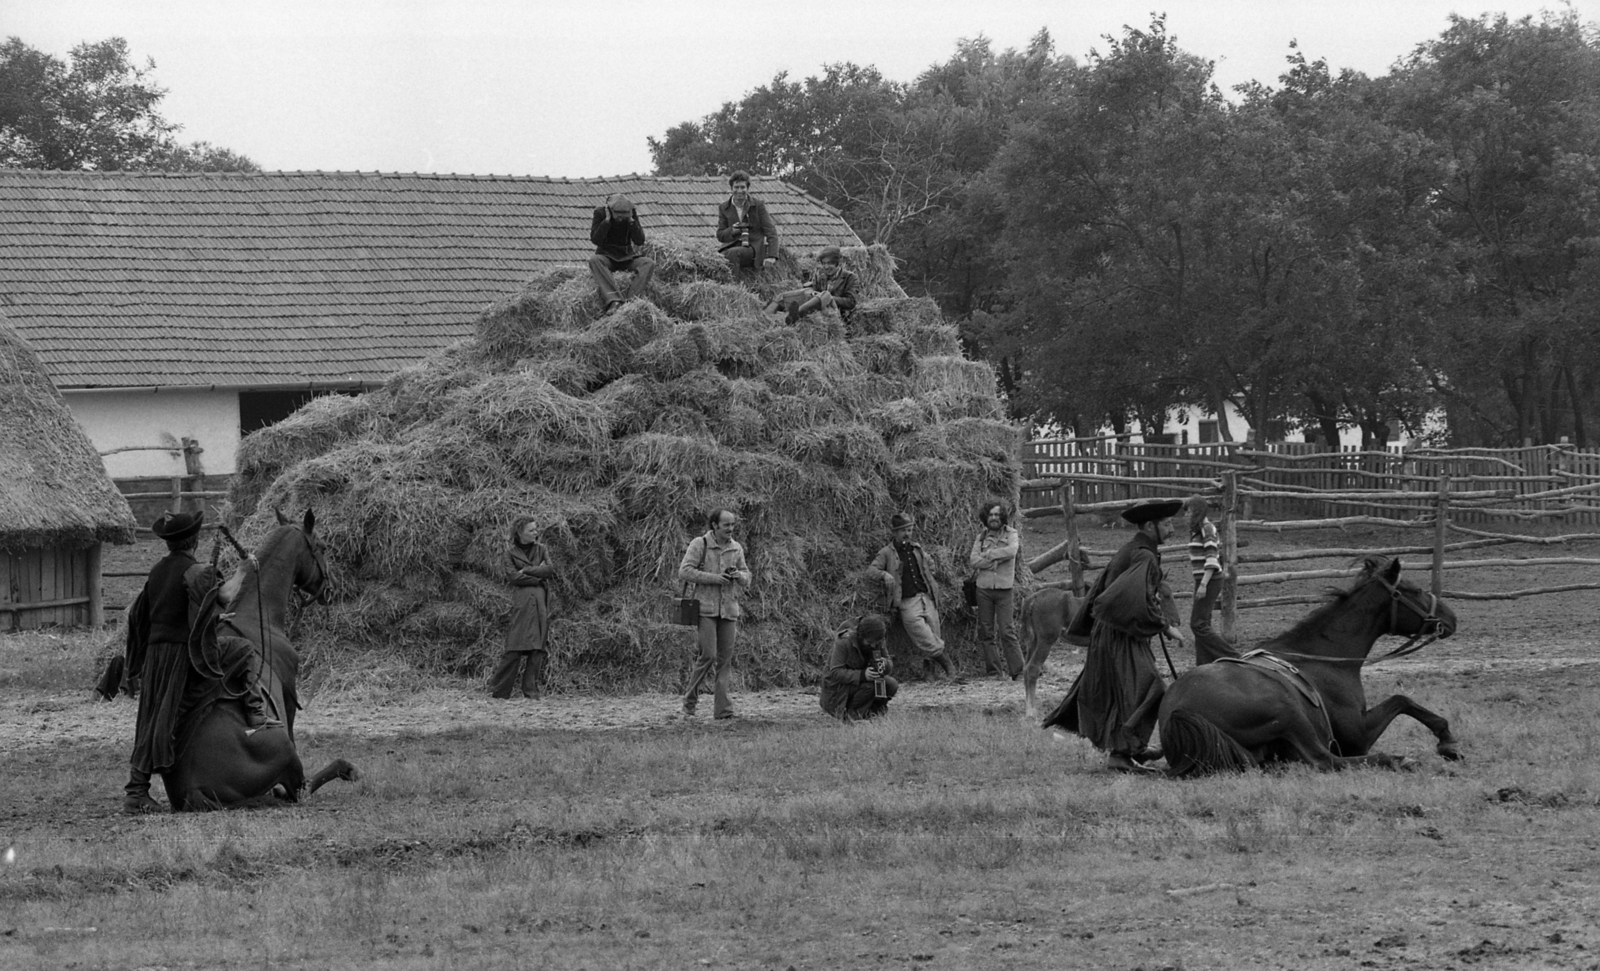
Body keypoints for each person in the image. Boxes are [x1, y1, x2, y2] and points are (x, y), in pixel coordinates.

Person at [1042, 498, 1185, 773]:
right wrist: (1165, 627)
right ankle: (1122, 754)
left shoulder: (1136, 549)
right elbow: (1127, 599)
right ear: (1148, 526)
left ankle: (1133, 749)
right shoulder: (1143, 555)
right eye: (1167, 524)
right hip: (1118, 635)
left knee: (1127, 691)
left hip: (1116, 632)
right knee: (1148, 688)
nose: (1172, 529)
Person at [679, 508, 752, 720]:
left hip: (729, 610)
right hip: (706, 609)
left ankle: (723, 710)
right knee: (708, 655)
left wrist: (739, 576)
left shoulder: (736, 548)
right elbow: (684, 571)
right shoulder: (699, 544)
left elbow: (747, 576)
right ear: (715, 525)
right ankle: (689, 703)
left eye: (733, 525)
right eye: (727, 524)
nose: (731, 528)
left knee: (725, 660)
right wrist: (714, 578)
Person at [869, 511, 957, 679]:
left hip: (927, 597)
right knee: (922, 635)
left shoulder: (917, 548)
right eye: (903, 530)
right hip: (907, 601)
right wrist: (885, 575)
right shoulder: (887, 552)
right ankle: (947, 664)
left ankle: (929, 673)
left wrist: (931, 570)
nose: (907, 534)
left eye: (909, 530)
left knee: (934, 633)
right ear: (894, 532)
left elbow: (930, 563)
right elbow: (871, 570)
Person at [489, 517, 556, 699]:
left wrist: (526, 571)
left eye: (536, 529)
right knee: (514, 646)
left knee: (537, 647)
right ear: (520, 533)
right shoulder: (510, 553)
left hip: (540, 600)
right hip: (522, 600)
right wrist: (537, 574)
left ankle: (531, 692)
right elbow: (512, 577)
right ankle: (500, 691)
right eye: (531, 530)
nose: (536, 533)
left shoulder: (541, 549)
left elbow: (549, 570)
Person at [970, 502, 1024, 679]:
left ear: (1002, 517)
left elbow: (1012, 551)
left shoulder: (1011, 534)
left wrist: (990, 555)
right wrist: (994, 561)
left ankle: (1018, 671)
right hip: (983, 589)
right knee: (986, 631)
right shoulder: (981, 537)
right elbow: (973, 561)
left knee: (1007, 630)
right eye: (990, 515)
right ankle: (994, 672)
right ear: (986, 517)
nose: (993, 518)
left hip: (1004, 589)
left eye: (996, 515)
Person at [1186, 495, 1238, 666]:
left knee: (1198, 624)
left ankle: (1234, 656)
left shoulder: (1207, 529)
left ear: (1196, 511)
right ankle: (1203, 664)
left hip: (1209, 579)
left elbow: (1211, 558)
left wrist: (1203, 584)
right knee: (1204, 622)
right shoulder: (1200, 529)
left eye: (1189, 510)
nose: (1186, 514)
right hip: (1203, 579)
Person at [819, 614, 898, 721]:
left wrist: (885, 664)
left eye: (876, 643)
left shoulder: (876, 638)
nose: (873, 646)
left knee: (891, 685)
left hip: (861, 683)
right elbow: (836, 673)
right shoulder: (844, 642)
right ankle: (852, 717)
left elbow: (888, 662)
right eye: (870, 643)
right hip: (838, 691)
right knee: (870, 686)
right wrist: (862, 675)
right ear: (861, 636)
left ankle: (873, 714)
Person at [588, 193, 655, 316]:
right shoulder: (600, 213)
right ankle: (614, 300)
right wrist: (607, 221)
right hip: (607, 256)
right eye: (617, 216)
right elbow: (596, 240)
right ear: (609, 210)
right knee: (594, 260)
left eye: (623, 216)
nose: (620, 219)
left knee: (648, 263)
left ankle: (631, 302)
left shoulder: (631, 214)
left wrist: (631, 221)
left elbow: (639, 241)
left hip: (627, 257)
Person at [763, 245, 858, 326]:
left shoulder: (850, 277)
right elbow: (814, 289)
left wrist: (829, 298)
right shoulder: (820, 274)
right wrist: (811, 292)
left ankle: (795, 315)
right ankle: (764, 319)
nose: (826, 267)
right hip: (816, 309)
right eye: (824, 263)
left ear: (839, 263)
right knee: (783, 296)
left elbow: (851, 302)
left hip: (834, 314)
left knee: (826, 295)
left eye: (829, 263)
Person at [715, 170, 779, 280]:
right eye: (736, 187)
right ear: (731, 188)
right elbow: (720, 235)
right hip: (733, 245)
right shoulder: (724, 207)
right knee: (717, 258)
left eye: (742, 187)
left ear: (747, 188)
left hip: (753, 247)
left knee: (732, 254)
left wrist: (772, 256)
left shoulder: (758, 205)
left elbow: (771, 231)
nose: (739, 191)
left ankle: (733, 287)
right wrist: (732, 231)